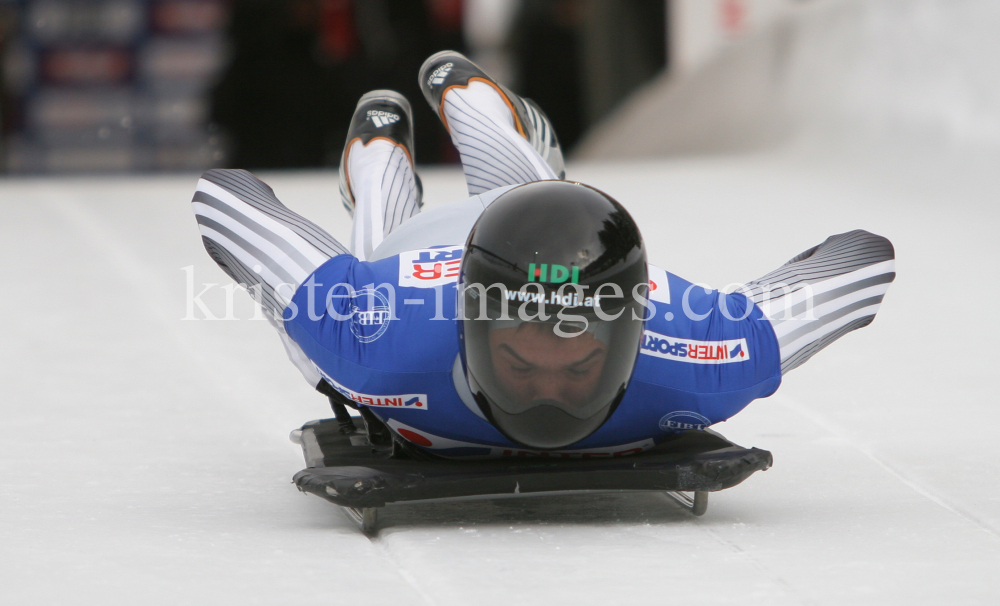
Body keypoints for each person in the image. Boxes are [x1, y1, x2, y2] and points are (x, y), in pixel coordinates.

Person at [191, 51, 896, 457]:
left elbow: (861, 262)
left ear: (630, 339)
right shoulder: (379, 333)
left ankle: (449, 122)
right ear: (471, 333)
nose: (550, 399)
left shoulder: (701, 356)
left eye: (580, 363)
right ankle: (386, 161)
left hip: (491, 250)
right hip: (413, 261)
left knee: (545, 207)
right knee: (336, 333)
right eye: (523, 365)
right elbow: (228, 201)